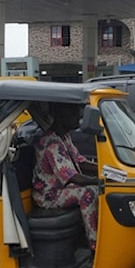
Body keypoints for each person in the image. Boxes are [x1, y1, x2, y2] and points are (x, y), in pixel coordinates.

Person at [32, 102, 99, 251]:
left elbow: (80, 161)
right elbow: (72, 176)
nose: (78, 118)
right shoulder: (51, 142)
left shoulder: (64, 137)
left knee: (96, 189)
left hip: (61, 188)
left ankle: (87, 235)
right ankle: (94, 246)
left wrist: (104, 169)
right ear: (60, 116)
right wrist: (99, 181)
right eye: (73, 114)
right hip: (49, 195)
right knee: (89, 192)